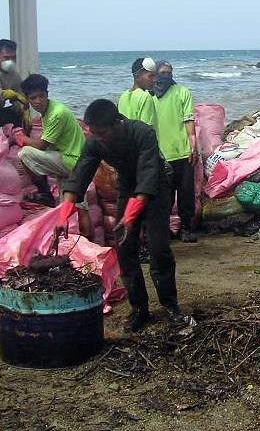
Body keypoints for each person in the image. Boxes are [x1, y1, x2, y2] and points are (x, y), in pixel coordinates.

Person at [58, 99, 188, 332]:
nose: (99, 138)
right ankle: (139, 309)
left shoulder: (142, 132)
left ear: (118, 122)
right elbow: (81, 172)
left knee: (159, 248)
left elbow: (148, 174)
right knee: (125, 248)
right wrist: (64, 212)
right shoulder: (96, 141)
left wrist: (129, 217)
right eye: (94, 133)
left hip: (156, 187)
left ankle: (171, 306)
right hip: (128, 188)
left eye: (103, 132)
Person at [15, 74, 92, 234]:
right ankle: (87, 246)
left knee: (25, 153)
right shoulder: (49, 111)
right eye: (33, 98)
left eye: (41, 96)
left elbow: (42, 145)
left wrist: (21, 138)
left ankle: (43, 191)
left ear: (47, 94)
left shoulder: (56, 113)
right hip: (75, 163)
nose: (37, 101)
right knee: (76, 206)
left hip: (71, 161)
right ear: (27, 99)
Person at [153, 61, 198, 243]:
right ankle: (164, 230)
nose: (167, 76)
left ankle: (186, 228)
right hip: (160, 155)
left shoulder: (182, 92)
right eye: (163, 72)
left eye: (170, 72)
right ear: (154, 74)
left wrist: (193, 145)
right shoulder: (149, 96)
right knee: (165, 196)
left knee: (186, 194)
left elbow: (189, 120)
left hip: (182, 151)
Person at [118, 57, 158, 127]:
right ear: (137, 77)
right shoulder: (145, 97)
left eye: (155, 76)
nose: (154, 80)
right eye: (150, 76)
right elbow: (147, 130)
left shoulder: (123, 96)